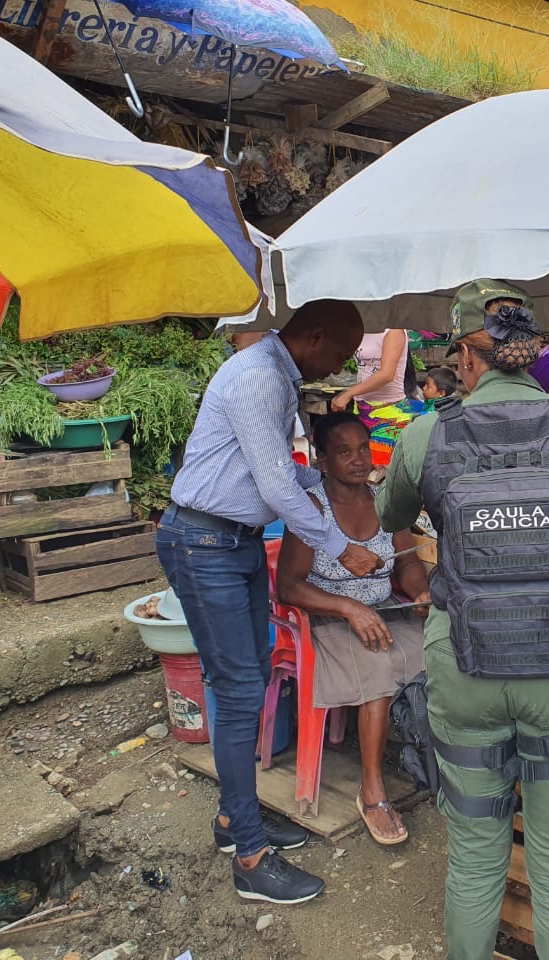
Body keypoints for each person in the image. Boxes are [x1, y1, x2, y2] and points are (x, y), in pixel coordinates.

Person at [377, 280, 549, 960]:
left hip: (464, 666)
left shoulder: (427, 435)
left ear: (467, 358)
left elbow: (391, 519)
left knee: (472, 859)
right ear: (528, 352)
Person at [157, 301, 382, 906]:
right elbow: (275, 483)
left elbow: (285, 470)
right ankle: (251, 859)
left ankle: (236, 821)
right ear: (314, 337)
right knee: (237, 691)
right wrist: (341, 544)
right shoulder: (258, 374)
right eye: (339, 354)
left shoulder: (277, 375)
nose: (339, 368)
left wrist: (339, 482)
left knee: (250, 674)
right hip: (205, 540)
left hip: (233, 541)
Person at [275, 413, 429, 846]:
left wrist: (418, 594)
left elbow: (410, 562)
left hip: (383, 609)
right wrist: (348, 608)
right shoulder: (310, 509)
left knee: (447, 649)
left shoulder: (385, 501)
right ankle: (373, 790)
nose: (358, 459)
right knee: (379, 671)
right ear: (322, 460)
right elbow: (287, 586)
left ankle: (443, 765)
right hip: (326, 619)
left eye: (363, 448)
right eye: (344, 452)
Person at [331, 328, 408, 412]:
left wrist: (348, 394)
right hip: (362, 404)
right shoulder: (361, 332)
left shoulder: (393, 331)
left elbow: (386, 375)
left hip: (389, 405)